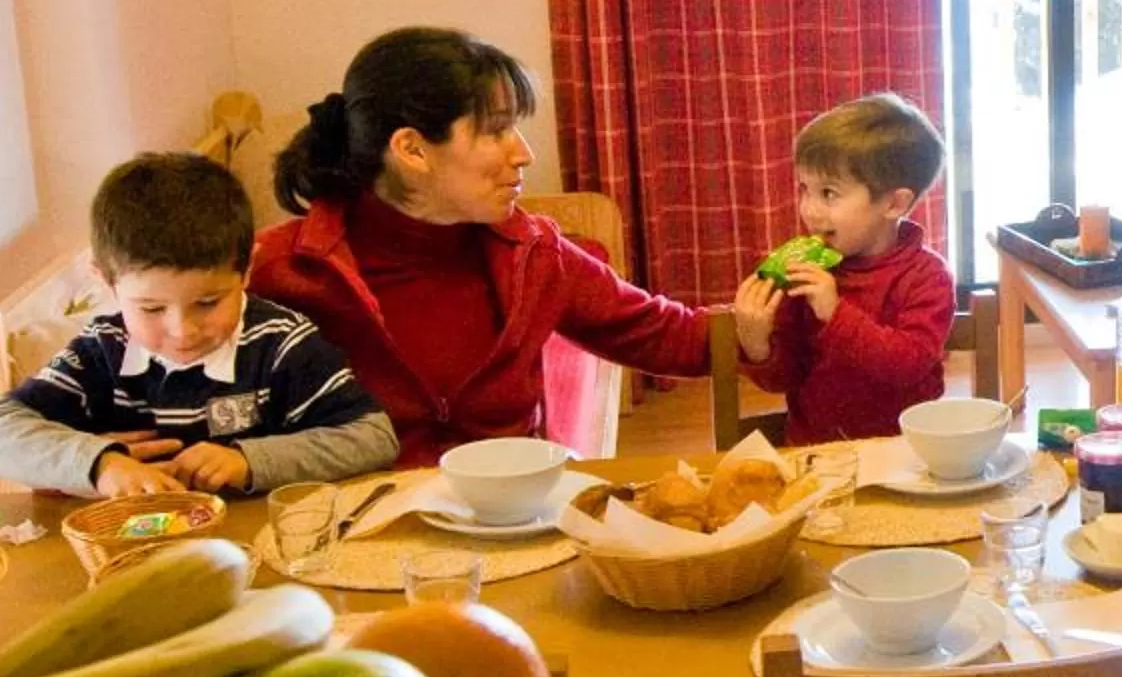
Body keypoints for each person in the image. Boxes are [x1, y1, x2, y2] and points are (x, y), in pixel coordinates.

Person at [251, 26, 775, 465]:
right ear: (412, 149)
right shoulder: (279, 271)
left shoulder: (532, 253)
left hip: (511, 522)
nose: (523, 153)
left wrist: (770, 318)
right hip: (361, 530)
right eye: (495, 131)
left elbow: (661, 333)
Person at [0, 153, 395, 498]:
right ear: (105, 281)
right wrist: (100, 463)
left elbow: (373, 437)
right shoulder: (102, 350)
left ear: (246, 269)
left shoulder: (280, 344)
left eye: (208, 303)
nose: (183, 330)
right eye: (152, 309)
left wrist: (248, 460)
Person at [733, 92, 958, 443]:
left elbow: (908, 365)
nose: (809, 209)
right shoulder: (803, 272)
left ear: (894, 203)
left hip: (906, 452)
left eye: (828, 193)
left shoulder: (927, 278)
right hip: (816, 449)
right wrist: (757, 344)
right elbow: (784, 378)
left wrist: (835, 313)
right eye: (804, 189)